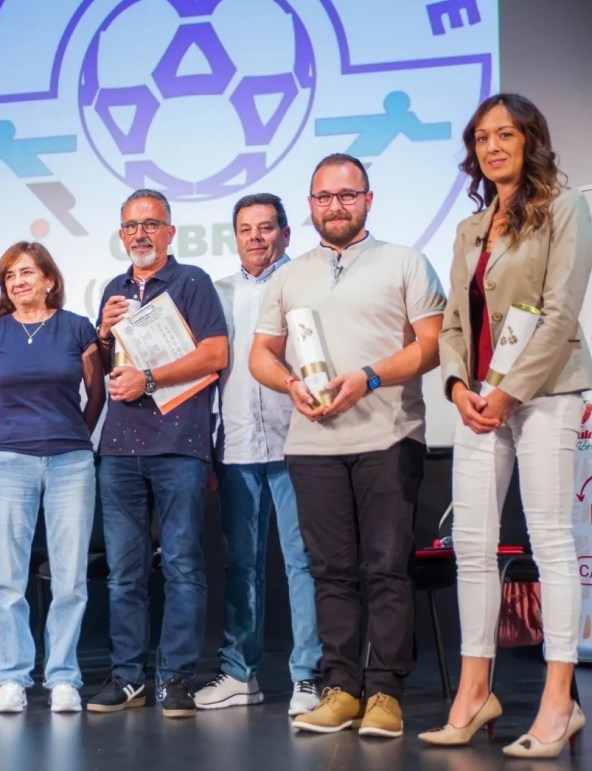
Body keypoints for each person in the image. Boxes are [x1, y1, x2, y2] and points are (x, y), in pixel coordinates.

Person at [250, 153, 446, 737]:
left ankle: (385, 691)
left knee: (387, 568)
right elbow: (261, 353)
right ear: (310, 205)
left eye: (346, 195)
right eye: (323, 197)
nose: (335, 205)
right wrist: (290, 384)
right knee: (330, 572)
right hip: (312, 444)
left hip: (389, 436)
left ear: (368, 199)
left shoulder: (406, 261)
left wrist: (370, 377)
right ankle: (340, 688)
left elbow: (432, 345)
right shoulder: (288, 276)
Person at [421, 93, 591, 759]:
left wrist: (508, 391)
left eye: (506, 134)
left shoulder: (565, 208)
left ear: (530, 141)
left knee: (549, 539)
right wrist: (458, 386)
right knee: (472, 545)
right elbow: (454, 325)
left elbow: (560, 311)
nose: (492, 147)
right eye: (482, 137)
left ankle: (558, 701)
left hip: (546, 391)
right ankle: (473, 694)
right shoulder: (471, 227)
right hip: (477, 400)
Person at [88, 189, 228, 719]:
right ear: (121, 235)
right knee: (124, 573)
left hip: (178, 444)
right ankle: (128, 678)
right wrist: (103, 334)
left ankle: (175, 678)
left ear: (171, 231)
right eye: (131, 226)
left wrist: (148, 378)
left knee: (182, 566)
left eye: (151, 224)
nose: (140, 234)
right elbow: (105, 369)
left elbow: (215, 354)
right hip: (120, 447)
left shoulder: (191, 281)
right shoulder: (114, 288)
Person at [195, 195, 322, 715]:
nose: (255, 237)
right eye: (246, 229)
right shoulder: (217, 293)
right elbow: (208, 371)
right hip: (237, 443)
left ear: (285, 234)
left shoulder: (307, 282)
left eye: (266, 228)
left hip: (301, 440)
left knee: (303, 562)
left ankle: (309, 677)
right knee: (241, 565)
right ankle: (239, 674)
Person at [0, 241, 105, 713]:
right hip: (9, 463)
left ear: (49, 279)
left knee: (69, 577)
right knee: (9, 578)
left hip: (71, 462)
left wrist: (73, 436)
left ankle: (63, 677)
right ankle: (12, 677)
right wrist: (8, 437)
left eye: (27, 272)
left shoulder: (77, 327)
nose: (18, 281)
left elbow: (96, 394)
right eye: (10, 275)